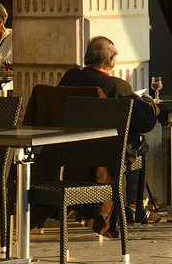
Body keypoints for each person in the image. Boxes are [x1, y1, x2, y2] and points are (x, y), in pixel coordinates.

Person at [60, 36, 160, 231]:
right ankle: (134, 206)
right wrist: (149, 104)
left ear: (87, 57)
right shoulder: (117, 86)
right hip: (107, 156)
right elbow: (146, 122)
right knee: (140, 144)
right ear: (112, 62)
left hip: (69, 151)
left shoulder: (70, 78)